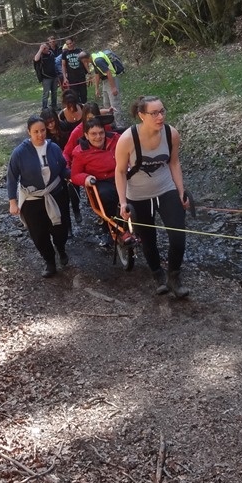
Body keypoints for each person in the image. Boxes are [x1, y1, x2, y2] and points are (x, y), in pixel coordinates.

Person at [114, 96, 191, 298]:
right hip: (138, 195)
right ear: (141, 115)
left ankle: (174, 276)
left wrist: (181, 191)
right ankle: (157, 274)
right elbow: (120, 171)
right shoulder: (127, 139)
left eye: (162, 111)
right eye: (154, 113)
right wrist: (123, 202)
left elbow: (174, 163)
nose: (160, 117)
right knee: (148, 239)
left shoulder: (171, 133)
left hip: (166, 189)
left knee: (178, 236)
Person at [7, 115, 72, 278]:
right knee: (39, 233)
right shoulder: (19, 153)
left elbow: (63, 168)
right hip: (32, 200)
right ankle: (49, 262)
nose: (40, 135)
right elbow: (12, 177)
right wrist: (12, 202)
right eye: (36, 131)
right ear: (29, 132)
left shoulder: (54, 148)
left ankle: (61, 248)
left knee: (60, 229)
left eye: (42, 130)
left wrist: (74, 175)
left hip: (55, 194)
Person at [70, 118, 121, 248]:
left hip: (120, 175)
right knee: (106, 195)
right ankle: (109, 226)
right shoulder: (80, 152)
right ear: (86, 135)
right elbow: (75, 174)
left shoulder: (116, 140)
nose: (98, 137)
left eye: (101, 133)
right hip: (100, 180)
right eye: (93, 134)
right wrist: (86, 178)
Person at [80, 50, 123, 119]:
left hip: (111, 80)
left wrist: (113, 87)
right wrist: (96, 89)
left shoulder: (98, 61)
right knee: (106, 104)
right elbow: (97, 74)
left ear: (85, 60)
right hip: (105, 81)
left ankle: (120, 125)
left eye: (83, 61)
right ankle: (110, 123)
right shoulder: (93, 59)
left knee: (114, 104)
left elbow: (108, 72)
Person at [33, 37, 60, 112]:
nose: (46, 49)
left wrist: (57, 75)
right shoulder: (40, 56)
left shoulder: (51, 53)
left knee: (54, 92)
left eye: (47, 47)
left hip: (54, 76)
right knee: (46, 93)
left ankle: (54, 106)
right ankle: (44, 108)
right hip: (46, 78)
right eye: (44, 48)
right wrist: (40, 49)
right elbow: (35, 59)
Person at [60, 37, 88, 103]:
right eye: (68, 44)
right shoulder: (65, 53)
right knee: (75, 96)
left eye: (70, 43)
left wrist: (89, 73)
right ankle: (78, 109)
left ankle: (84, 108)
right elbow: (63, 66)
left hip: (81, 76)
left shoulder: (79, 51)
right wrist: (64, 78)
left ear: (73, 42)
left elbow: (85, 62)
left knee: (83, 94)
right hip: (71, 78)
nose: (69, 45)